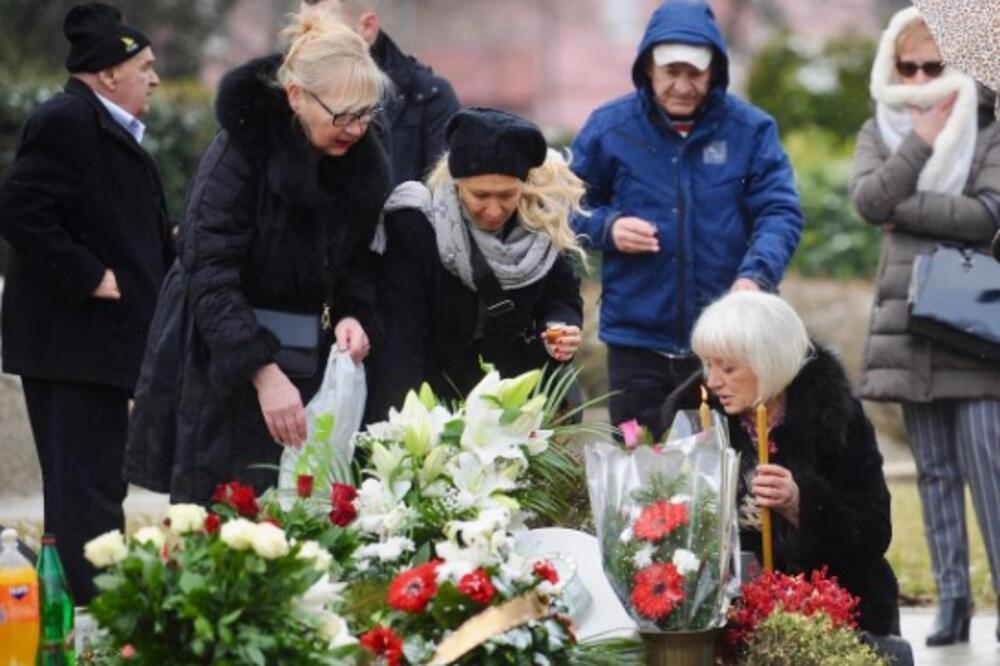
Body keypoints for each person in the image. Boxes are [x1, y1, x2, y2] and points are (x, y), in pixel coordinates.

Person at [124, 13, 391, 504]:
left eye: (366, 114)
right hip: (224, 358)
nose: (356, 129)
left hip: (311, 356)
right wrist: (262, 372)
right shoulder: (240, 152)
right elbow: (209, 269)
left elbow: (357, 258)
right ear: (295, 97)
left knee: (306, 512)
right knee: (227, 519)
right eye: (343, 115)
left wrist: (354, 312)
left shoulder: (361, 157)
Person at [0, 3, 173, 603]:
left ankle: (83, 606)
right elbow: (21, 208)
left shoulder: (109, 130)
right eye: (145, 66)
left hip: (98, 348)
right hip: (74, 350)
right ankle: (94, 611)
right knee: (86, 493)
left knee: (93, 488)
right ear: (107, 73)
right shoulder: (65, 121)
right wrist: (89, 275)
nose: (154, 79)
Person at [570, 0, 803, 439]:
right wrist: (608, 229)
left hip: (728, 345)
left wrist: (755, 277)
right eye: (670, 72)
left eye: (694, 73)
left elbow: (780, 212)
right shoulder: (608, 129)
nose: (682, 85)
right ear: (648, 69)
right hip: (636, 343)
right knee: (641, 474)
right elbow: (561, 208)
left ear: (714, 71)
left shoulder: (752, 131)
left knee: (730, 473)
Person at [849, 7, 1000, 646]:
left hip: (973, 322)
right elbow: (866, 201)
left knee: (990, 468)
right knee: (935, 473)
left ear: (959, 67)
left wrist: (903, 207)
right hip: (908, 326)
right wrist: (920, 143)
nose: (918, 78)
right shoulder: (879, 128)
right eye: (906, 66)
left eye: (932, 66)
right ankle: (952, 603)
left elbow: (986, 215)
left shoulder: (990, 131)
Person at [662, 291, 901, 639]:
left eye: (727, 368)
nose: (712, 382)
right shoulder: (697, 421)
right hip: (731, 611)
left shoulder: (836, 417)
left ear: (768, 362)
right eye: (707, 365)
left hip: (833, 606)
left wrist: (802, 505)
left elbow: (874, 532)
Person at [365, 107, 584, 418]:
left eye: (507, 195)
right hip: (430, 393)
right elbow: (402, 338)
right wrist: (399, 425)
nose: (493, 210)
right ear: (456, 183)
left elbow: (561, 297)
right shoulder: (418, 224)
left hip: (512, 400)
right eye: (479, 195)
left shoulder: (542, 226)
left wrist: (560, 327)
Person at [300, 0, 460, 186]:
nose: (309, 49)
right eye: (302, 35)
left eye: (327, 39)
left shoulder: (429, 97)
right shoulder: (281, 90)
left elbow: (442, 198)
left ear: (368, 27)